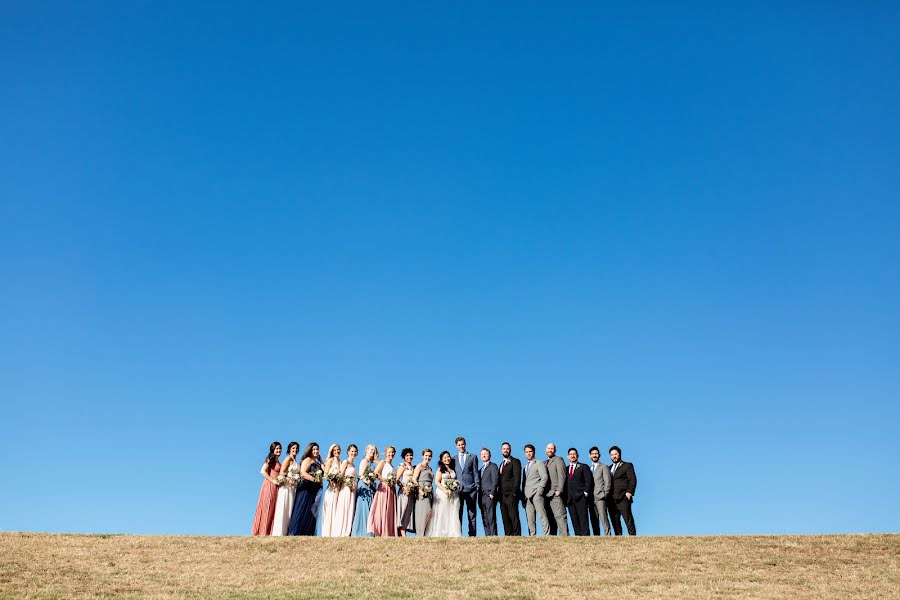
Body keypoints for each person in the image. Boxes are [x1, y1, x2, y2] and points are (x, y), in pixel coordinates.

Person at [287, 442, 323, 536]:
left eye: (317, 449)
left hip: (314, 489)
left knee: (310, 510)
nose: (315, 451)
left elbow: (325, 471)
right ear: (310, 450)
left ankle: (307, 532)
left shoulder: (317, 463)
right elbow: (303, 472)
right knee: (302, 508)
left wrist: (321, 460)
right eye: (314, 449)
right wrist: (314, 479)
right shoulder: (308, 460)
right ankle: (296, 531)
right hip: (306, 488)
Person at [426, 451, 462, 537]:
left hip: (453, 494)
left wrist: (455, 485)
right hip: (442, 493)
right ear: (442, 460)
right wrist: (445, 490)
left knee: (452, 512)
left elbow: (455, 480)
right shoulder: (440, 470)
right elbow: (437, 482)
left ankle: (452, 532)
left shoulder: (453, 470)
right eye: (444, 458)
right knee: (442, 512)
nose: (447, 459)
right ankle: (441, 532)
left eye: (448, 457)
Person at [251, 441, 282, 536]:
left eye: (280, 448)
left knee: (273, 508)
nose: (278, 450)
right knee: (267, 507)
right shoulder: (270, 458)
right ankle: (262, 531)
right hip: (269, 485)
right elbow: (262, 471)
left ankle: (269, 531)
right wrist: (272, 480)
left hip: (276, 487)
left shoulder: (278, 461)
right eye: (276, 448)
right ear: (273, 449)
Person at [451, 436, 480, 537]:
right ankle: (458, 533)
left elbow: (476, 472)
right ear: (456, 446)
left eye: (462, 444)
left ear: (465, 444)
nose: (461, 446)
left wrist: (477, 486)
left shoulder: (472, 457)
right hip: (459, 490)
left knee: (472, 513)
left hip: (471, 489)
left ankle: (472, 534)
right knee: (459, 513)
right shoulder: (453, 459)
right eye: (459, 445)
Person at [367, 445, 398, 536]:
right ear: (385, 453)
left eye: (392, 452)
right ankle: (379, 530)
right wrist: (384, 480)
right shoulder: (383, 462)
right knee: (382, 508)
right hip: (384, 488)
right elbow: (375, 473)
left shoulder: (393, 466)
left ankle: (388, 530)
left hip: (391, 489)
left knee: (389, 510)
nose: (391, 454)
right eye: (389, 452)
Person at [607, 446, 637, 535]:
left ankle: (632, 537)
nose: (614, 456)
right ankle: (618, 538)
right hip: (611, 499)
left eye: (615, 454)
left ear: (619, 454)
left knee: (628, 519)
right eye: (612, 455)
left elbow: (633, 480)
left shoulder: (627, 465)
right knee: (615, 521)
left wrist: (629, 492)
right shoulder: (608, 468)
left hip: (623, 497)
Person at [272, 441, 299, 536]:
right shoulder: (288, 459)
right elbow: (282, 472)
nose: (295, 450)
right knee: (284, 508)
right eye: (293, 448)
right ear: (289, 450)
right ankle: (279, 532)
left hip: (293, 488)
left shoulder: (296, 461)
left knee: (289, 509)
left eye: (296, 448)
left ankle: (286, 531)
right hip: (286, 487)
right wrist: (289, 478)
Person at [521, 444, 549, 536]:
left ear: (534, 452)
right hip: (527, 496)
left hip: (537, 494)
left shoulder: (539, 463)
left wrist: (540, 491)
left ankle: (546, 534)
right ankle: (532, 535)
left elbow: (544, 477)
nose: (528, 453)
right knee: (530, 518)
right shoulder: (525, 467)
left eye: (530, 451)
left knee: (542, 515)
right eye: (526, 452)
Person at [351, 444, 378, 537]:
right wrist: (368, 481)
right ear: (366, 450)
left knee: (371, 508)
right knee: (364, 507)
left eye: (374, 450)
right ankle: (361, 531)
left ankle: (370, 531)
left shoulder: (372, 463)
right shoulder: (364, 461)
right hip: (364, 487)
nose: (372, 452)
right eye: (371, 450)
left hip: (371, 487)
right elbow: (361, 475)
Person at [565, 448, 593, 536]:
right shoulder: (566, 469)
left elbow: (589, 480)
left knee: (583, 518)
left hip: (581, 496)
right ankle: (578, 536)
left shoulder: (583, 466)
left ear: (577, 456)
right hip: (570, 498)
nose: (572, 456)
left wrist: (586, 492)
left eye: (574, 454)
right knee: (574, 519)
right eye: (570, 454)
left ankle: (585, 536)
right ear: (568, 456)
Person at [544, 443, 569, 536]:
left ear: (555, 450)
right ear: (545, 449)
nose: (550, 450)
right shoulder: (544, 462)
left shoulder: (558, 460)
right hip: (546, 495)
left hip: (555, 493)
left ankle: (565, 536)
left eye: (552, 448)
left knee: (560, 516)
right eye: (548, 448)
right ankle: (552, 537)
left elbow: (562, 475)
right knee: (550, 517)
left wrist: (559, 490)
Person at [497, 442, 522, 536]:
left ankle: (516, 535)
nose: (505, 450)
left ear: (510, 450)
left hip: (511, 494)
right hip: (502, 495)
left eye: (507, 448)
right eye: (504, 449)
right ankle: (508, 535)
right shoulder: (501, 464)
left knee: (513, 515)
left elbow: (517, 478)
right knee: (505, 517)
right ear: (501, 450)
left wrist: (514, 492)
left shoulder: (515, 461)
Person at [587, 446, 612, 536]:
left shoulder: (604, 466)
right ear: (589, 456)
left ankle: (608, 536)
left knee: (604, 518)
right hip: (590, 498)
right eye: (593, 454)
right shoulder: (588, 468)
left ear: (599, 455)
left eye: (596, 454)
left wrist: (605, 494)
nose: (594, 455)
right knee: (594, 520)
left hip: (600, 497)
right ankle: (596, 538)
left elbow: (608, 482)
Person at [478, 448, 500, 536]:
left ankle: (493, 535)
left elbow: (495, 480)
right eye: (482, 454)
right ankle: (488, 535)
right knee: (484, 517)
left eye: (485, 454)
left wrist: (492, 493)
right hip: (481, 496)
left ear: (489, 455)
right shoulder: (480, 470)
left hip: (489, 496)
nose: (483, 455)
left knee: (491, 517)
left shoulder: (493, 466)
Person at [412, 449, 434, 536]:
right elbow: (414, 479)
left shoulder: (430, 468)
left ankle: (427, 533)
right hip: (421, 491)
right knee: (421, 513)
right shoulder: (419, 466)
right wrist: (419, 490)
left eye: (429, 456)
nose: (427, 457)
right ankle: (420, 534)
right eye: (426, 455)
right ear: (422, 456)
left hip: (429, 492)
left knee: (429, 512)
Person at [395, 448, 416, 537]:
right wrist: (404, 488)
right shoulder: (403, 466)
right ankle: (402, 532)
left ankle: (404, 530)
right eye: (407, 455)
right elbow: (397, 479)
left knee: (409, 511)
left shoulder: (413, 467)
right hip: (404, 491)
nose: (409, 457)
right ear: (404, 457)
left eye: (411, 455)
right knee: (403, 510)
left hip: (411, 492)